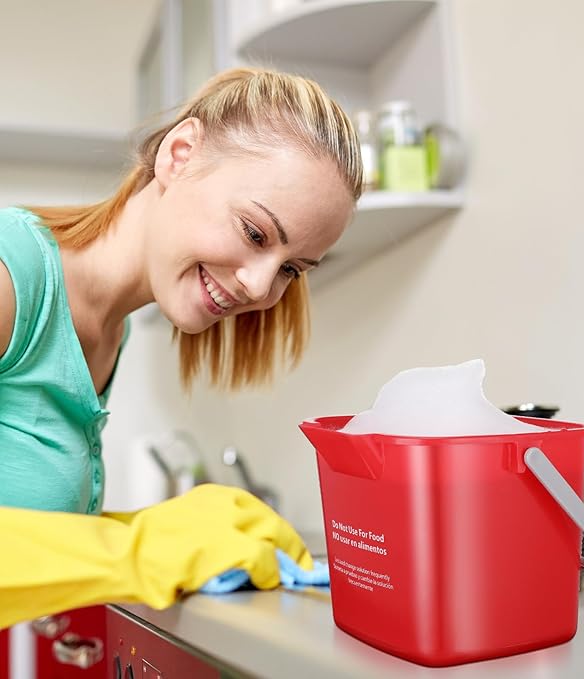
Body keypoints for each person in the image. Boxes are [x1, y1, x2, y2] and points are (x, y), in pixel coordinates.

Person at [0, 67, 362, 629]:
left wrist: (161, 529)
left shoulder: (107, 332)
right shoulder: (11, 276)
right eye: (255, 233)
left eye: (291, 269)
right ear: (180, 154)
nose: (260, 287)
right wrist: (137, 549)